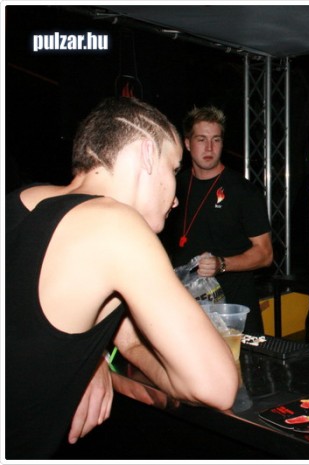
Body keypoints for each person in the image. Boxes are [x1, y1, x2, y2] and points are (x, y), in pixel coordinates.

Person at [5, 97, 239, 459]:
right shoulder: (115, 224)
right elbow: (216, 386)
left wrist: (93, 359)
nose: (175, 200)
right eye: (173, 168)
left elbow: (114, 337)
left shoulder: (21, 200)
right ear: (146, 154)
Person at [161, 105, 273, 334]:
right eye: (201, 139)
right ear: (188, 143)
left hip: (233, 313)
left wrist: (221, 264)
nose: (209, 148)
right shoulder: (173, 186)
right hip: (186, 311)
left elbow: (265, 254)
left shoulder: (243, 190)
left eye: (216, 140)